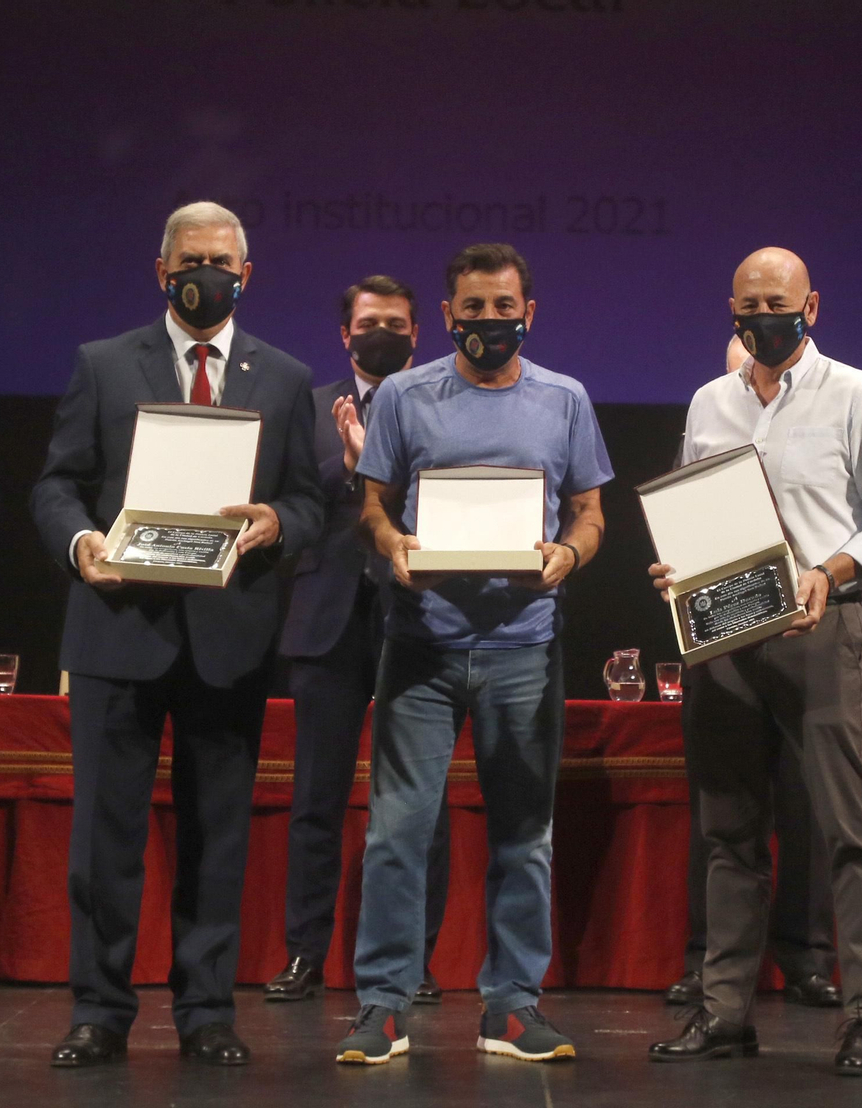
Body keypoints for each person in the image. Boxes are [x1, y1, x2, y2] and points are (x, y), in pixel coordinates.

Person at [31, 201, 324, 1068]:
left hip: (227, 636)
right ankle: (99, 1010)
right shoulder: (103, 364)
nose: (208, 273)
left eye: (222, 260)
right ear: (162, 272)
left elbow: (309, 498)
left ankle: (205, 1012)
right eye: (192, 259)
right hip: (117, 625)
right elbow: (57, 486)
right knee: (104, 839)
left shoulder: (285, 377)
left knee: (219, 835)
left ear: (247, 273)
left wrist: (277, 521)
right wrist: (84, 546)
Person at [334, 243, 613, 1066]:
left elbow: (590, 514)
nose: (489, 321)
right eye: (473, 308)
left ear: (529, 312)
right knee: (397, 832)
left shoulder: (564, 399)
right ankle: (383, 1006)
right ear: (449, 314)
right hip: (420, 645)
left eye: (504, 307)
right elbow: (374, 506)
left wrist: (568, 554)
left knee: (524, 836)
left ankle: (512, 1008)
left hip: (525, 646)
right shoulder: (407, 396)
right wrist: (393, 544)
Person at [647, 248, 862, 1075]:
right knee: (729, 834)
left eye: (780, 301)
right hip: (724, 640)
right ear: (730, 306)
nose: (764, 313)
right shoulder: (710, 401)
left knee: (848, 832)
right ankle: (725, 1011)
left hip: (824, 631)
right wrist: (678, 564)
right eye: (751, 301)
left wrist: (826, 570)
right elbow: (698, 509)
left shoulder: (858, 394)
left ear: (812, 308)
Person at [265, 276, 451, 1005]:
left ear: (416, 333)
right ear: (345, 334)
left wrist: (383, 471)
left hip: (417, 614)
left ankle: (414, 959)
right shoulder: (306, 410)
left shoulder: (442, 405)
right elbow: (286, 509)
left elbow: (452, 502)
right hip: (327, 619)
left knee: (417, 805)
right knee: (317, 797)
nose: (384, 333)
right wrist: (346, 469)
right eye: (369, 322)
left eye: (397, 323)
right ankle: (305, 954)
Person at [664, 334, 838, 1011]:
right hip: (718, 633)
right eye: (740, 366)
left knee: (805, 805)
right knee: (720, 813)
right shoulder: (708, 408)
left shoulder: (836, 405)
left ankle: (807, 957)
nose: (753, 373)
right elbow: (682, 509)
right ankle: (707, 961)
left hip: (804, 629)